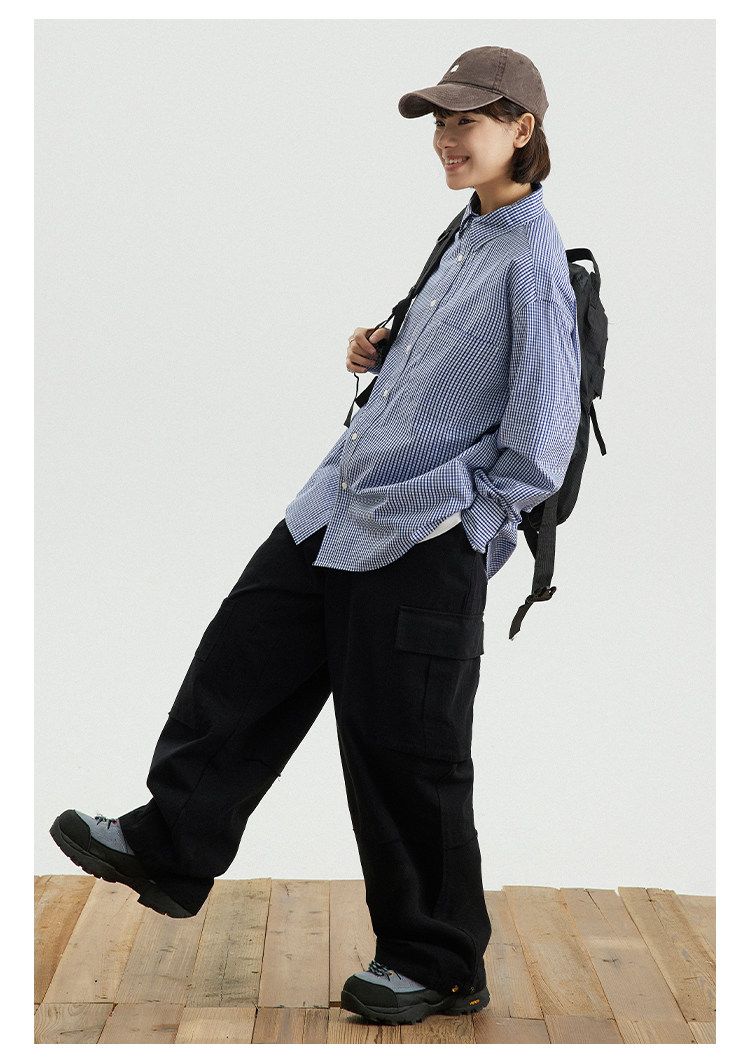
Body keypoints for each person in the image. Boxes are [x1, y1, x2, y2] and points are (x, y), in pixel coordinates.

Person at [50, 45, 581, 1026]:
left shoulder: (534, 263)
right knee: (242, 658)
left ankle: (439, 963)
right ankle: (171, 843)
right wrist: (385, 344)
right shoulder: (469, 231)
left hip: (422, 536)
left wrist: (465, 529)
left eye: (468, 122)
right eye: (441, 122)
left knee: (405, 754)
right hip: (338, 505)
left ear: (523, 130)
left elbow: (540, 441)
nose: (448, 139)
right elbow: (459, 368)